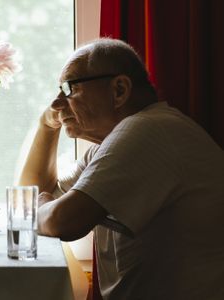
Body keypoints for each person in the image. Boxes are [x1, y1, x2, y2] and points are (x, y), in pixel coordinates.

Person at [19, 38, 224, 300]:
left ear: (119, 90)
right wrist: (46, 126)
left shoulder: (149, 129)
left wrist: (37, 209)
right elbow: (30, 196)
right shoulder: (109, 147)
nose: (58, 103)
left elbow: (63, 221)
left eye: (69, 88)